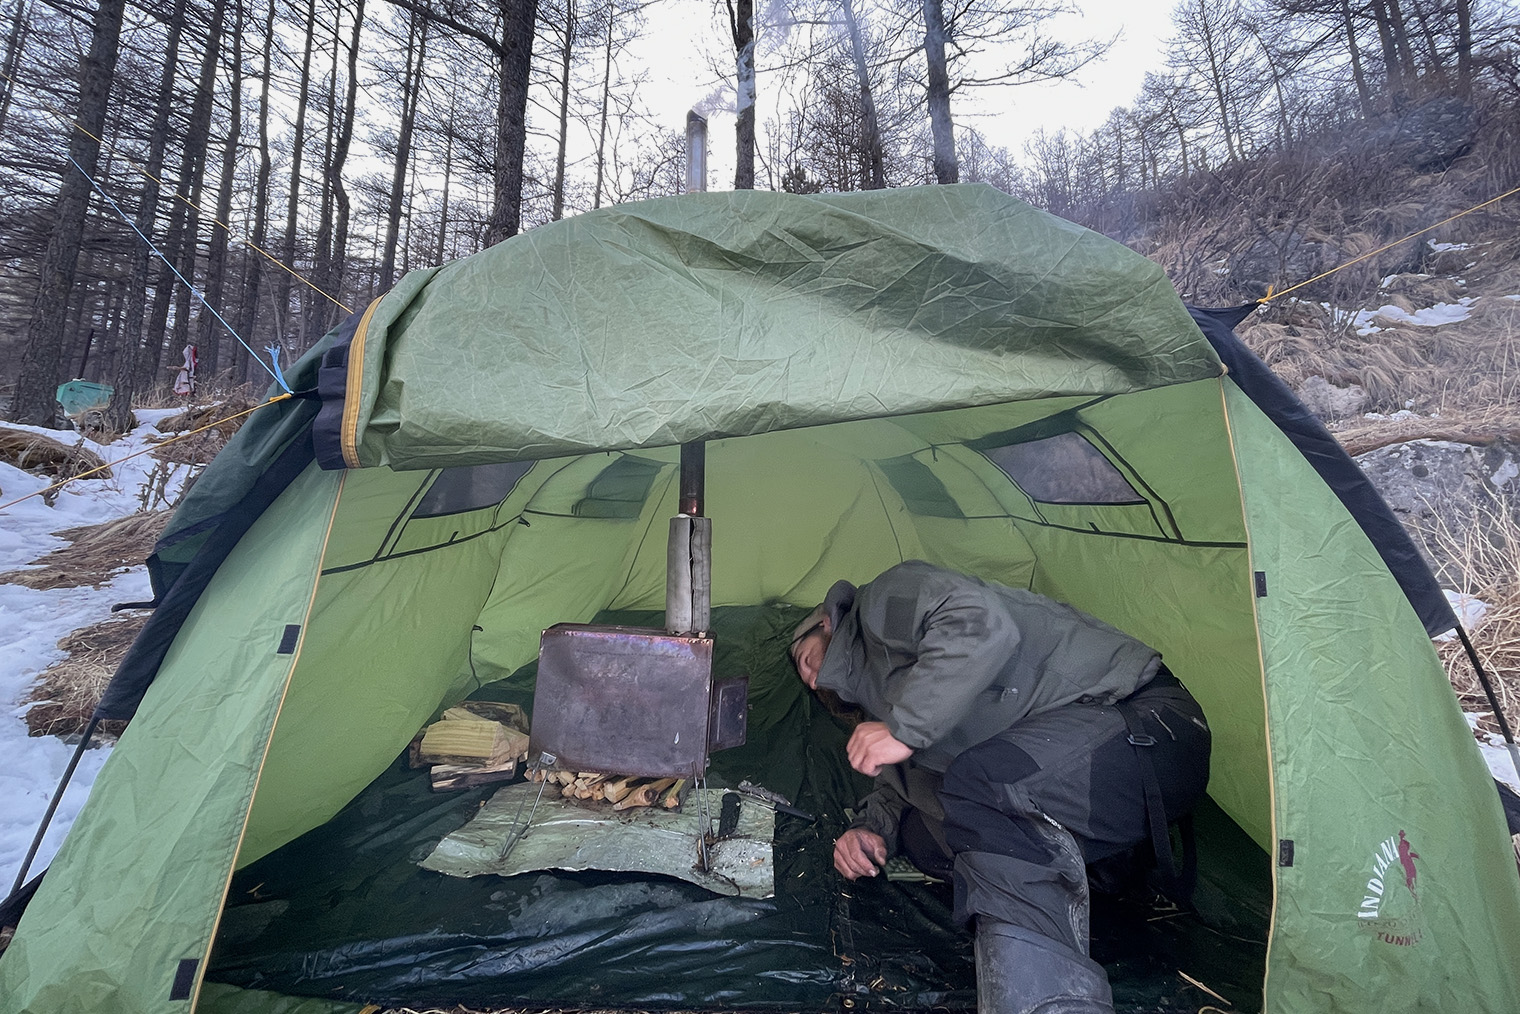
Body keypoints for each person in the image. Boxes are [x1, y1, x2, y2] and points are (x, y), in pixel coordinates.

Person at [789, 560, 1211, 1014]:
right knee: (928, 837)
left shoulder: (882, 602)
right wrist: (870, 829)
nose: (809, 675)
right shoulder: (884, 703)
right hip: (1081, 776)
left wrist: (903, 728)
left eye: (804, 657)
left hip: (1144, 724)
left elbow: (981, 622)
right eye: (803, 678)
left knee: (982, 785)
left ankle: (1047, 1003)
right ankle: (1102, 870)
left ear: (826, 622)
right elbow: (910, 785)